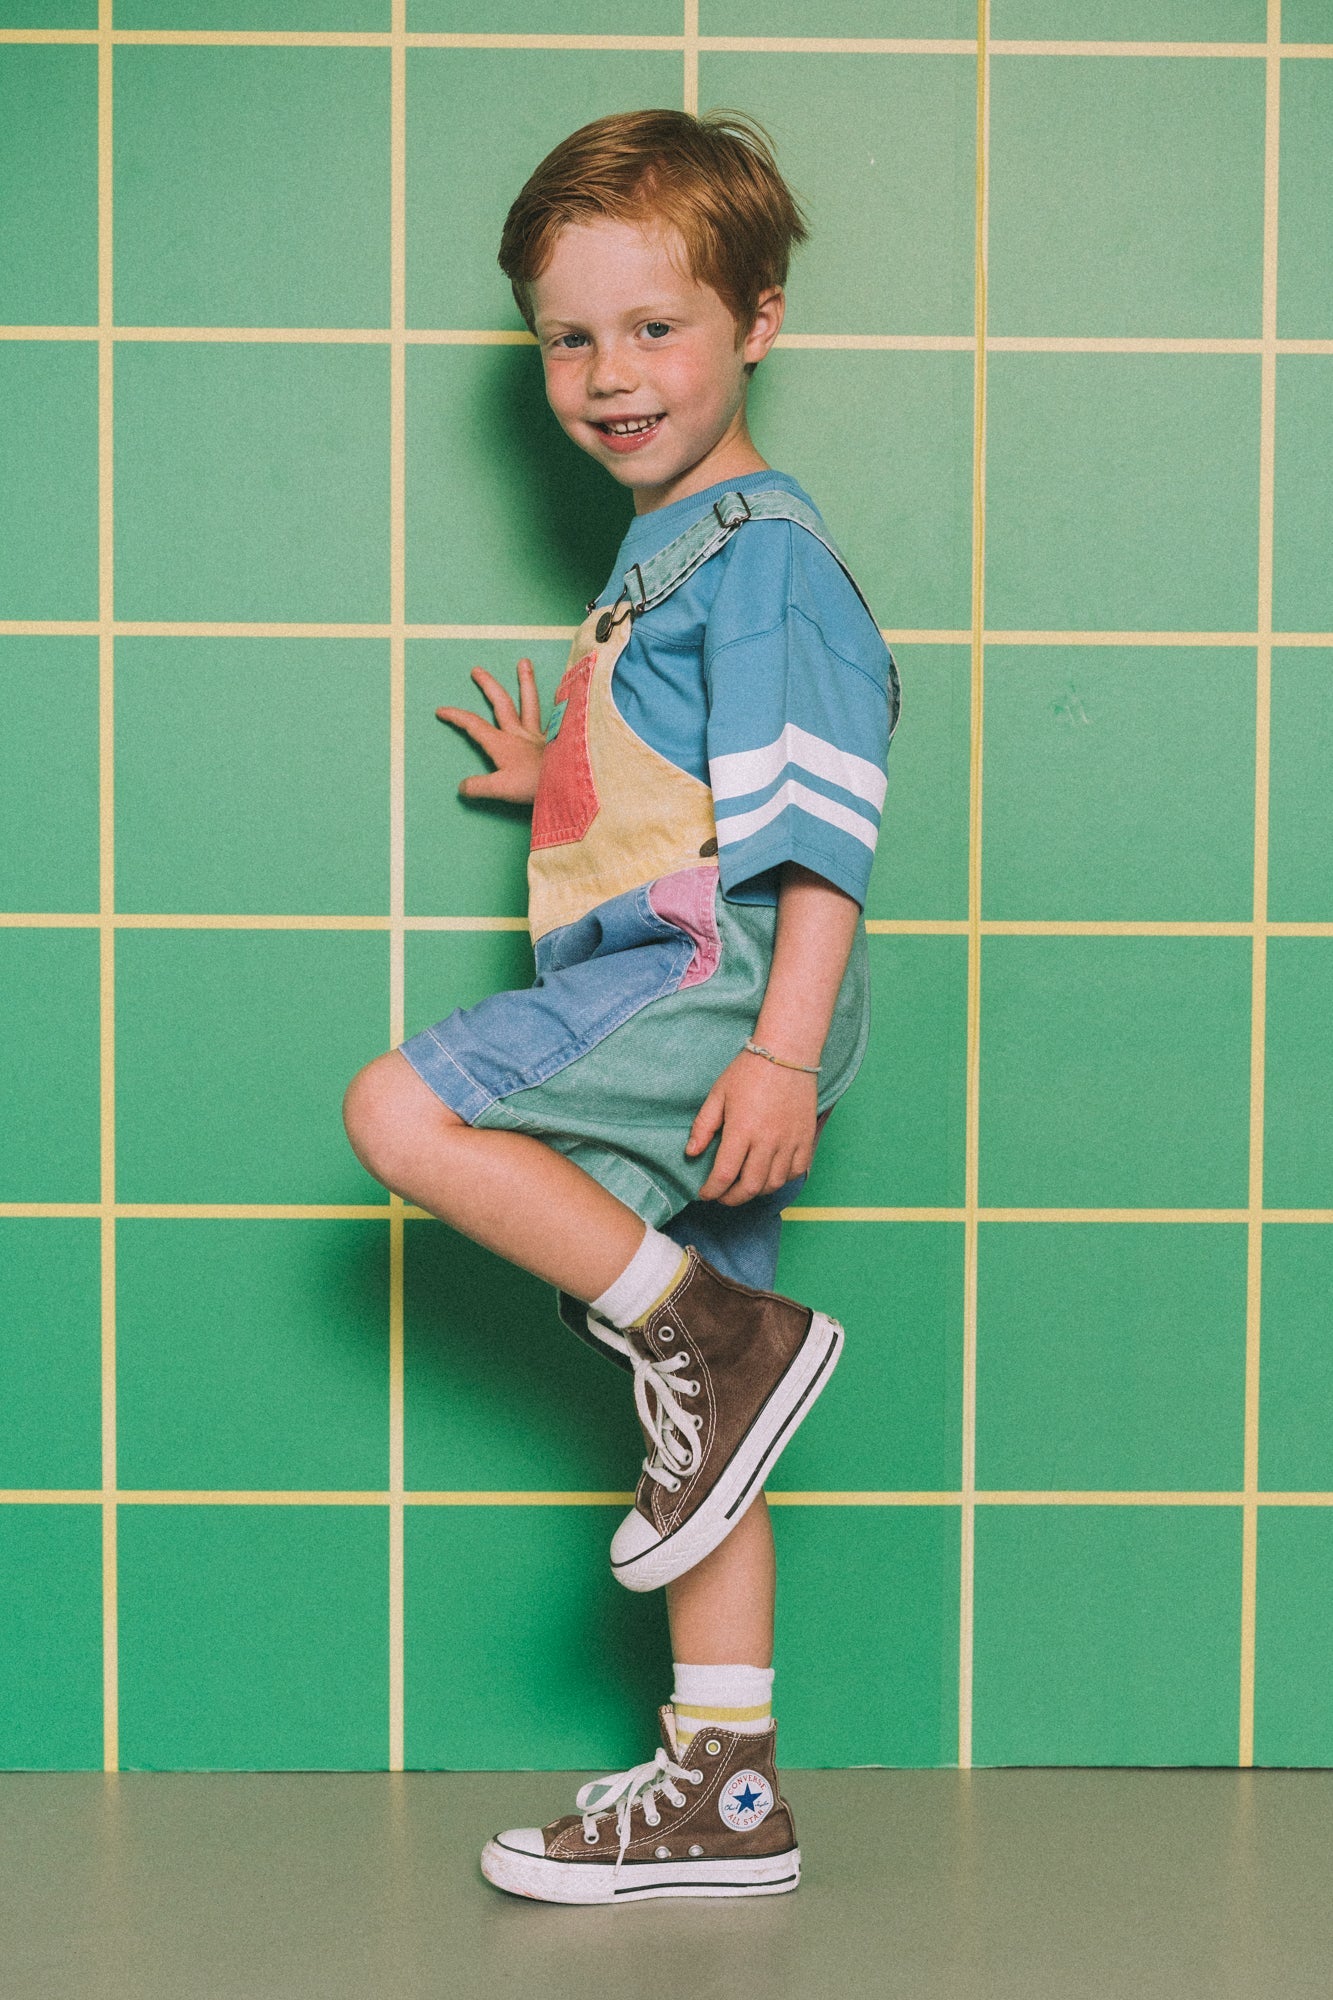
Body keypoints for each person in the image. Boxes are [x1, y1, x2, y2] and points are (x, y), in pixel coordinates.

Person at [343, 107, 899, 1905]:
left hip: (711, 987)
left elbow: (817, 834)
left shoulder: (765, 557)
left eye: (654, 327)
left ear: (758, 320)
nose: (606, 374)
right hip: (689, 996)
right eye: (567, 338)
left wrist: (782, 1046)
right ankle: (726, 1792)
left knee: (400, 1112)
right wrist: (559, 775)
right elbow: (695, 776)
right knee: (708, 1441)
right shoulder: (667, 554)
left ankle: (718, 1345)